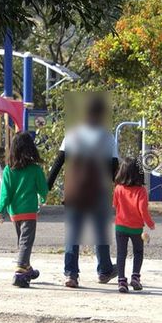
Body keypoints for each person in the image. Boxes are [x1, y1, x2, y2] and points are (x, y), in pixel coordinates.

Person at [46, 94, 118, 288]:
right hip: (98, 192)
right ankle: (104, 271)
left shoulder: (73, 135)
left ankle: (71, 274)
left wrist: (47, 187)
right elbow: (113, 169)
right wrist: (121, 192)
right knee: (100, 233)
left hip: (74, 192)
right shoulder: (107, 137)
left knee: (73, 233)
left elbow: (58, 162)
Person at [0, 132, 48, 288]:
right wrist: (43, 198)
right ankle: (19, 273)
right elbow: (43, 188)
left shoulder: (8, 170)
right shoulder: (35, 169)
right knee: (26, 242)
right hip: (29, 210)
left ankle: (27, 268)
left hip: (14, 213)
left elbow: (5, 194)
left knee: (22, 241)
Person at [112, 158, 154, 293]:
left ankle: (121, 281)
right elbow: (143, 210)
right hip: (136, 228)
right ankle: (135, 277)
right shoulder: (141, 191)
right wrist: (150, 224)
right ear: (139, 173)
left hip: (120, 226)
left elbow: (115, 206)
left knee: (121, 254)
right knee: (138, 252)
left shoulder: (118, 188)